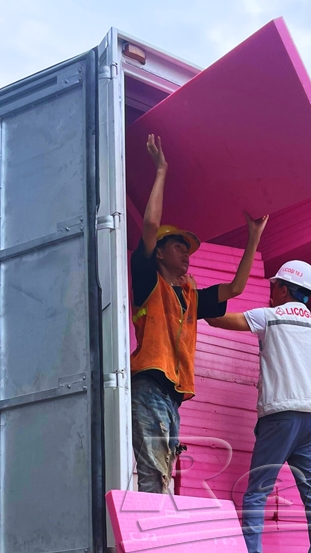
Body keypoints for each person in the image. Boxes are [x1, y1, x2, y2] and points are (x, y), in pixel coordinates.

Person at [130, 134, 268, 493]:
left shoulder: (191, 298)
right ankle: (150, 528)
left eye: (187, 249)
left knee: (163, 474)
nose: (186, 254)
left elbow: (235, 289)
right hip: (148, 385)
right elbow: (149, 227)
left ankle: (154, 524)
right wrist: (161, 170)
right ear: (160, 253)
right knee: (154, 475)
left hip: (172, 395)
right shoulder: (147, 280)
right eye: (178, 247)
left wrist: (253, 238)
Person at [209, 261, 311, 553]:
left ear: (284, 289)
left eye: (274, 285)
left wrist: (196, 302)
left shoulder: (270, 317)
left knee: (257, 490)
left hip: (280, 417)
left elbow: (219, 320)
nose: (270, 291)